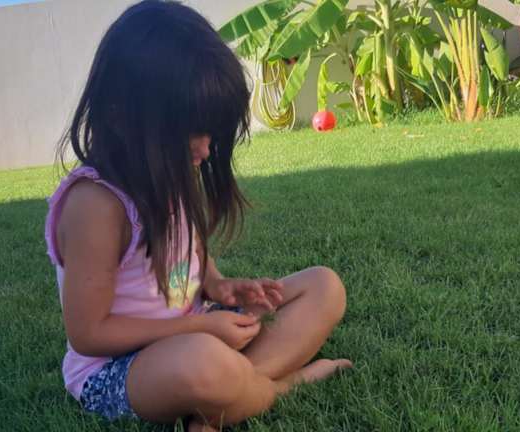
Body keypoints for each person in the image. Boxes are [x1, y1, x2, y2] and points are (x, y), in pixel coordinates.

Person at [45, 1, 351, 430]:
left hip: (194, 331)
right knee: (202, 363)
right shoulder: (95, 205)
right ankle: (282, 385)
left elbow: (186, 250)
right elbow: (89, 333)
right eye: (191, 131)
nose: (205, 150)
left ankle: (228, 394)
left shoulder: (167, 171)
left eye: (211, 133)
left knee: (324, 286)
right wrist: (200, 331)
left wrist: (220, 286)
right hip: (120, 369)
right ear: (124, 116)